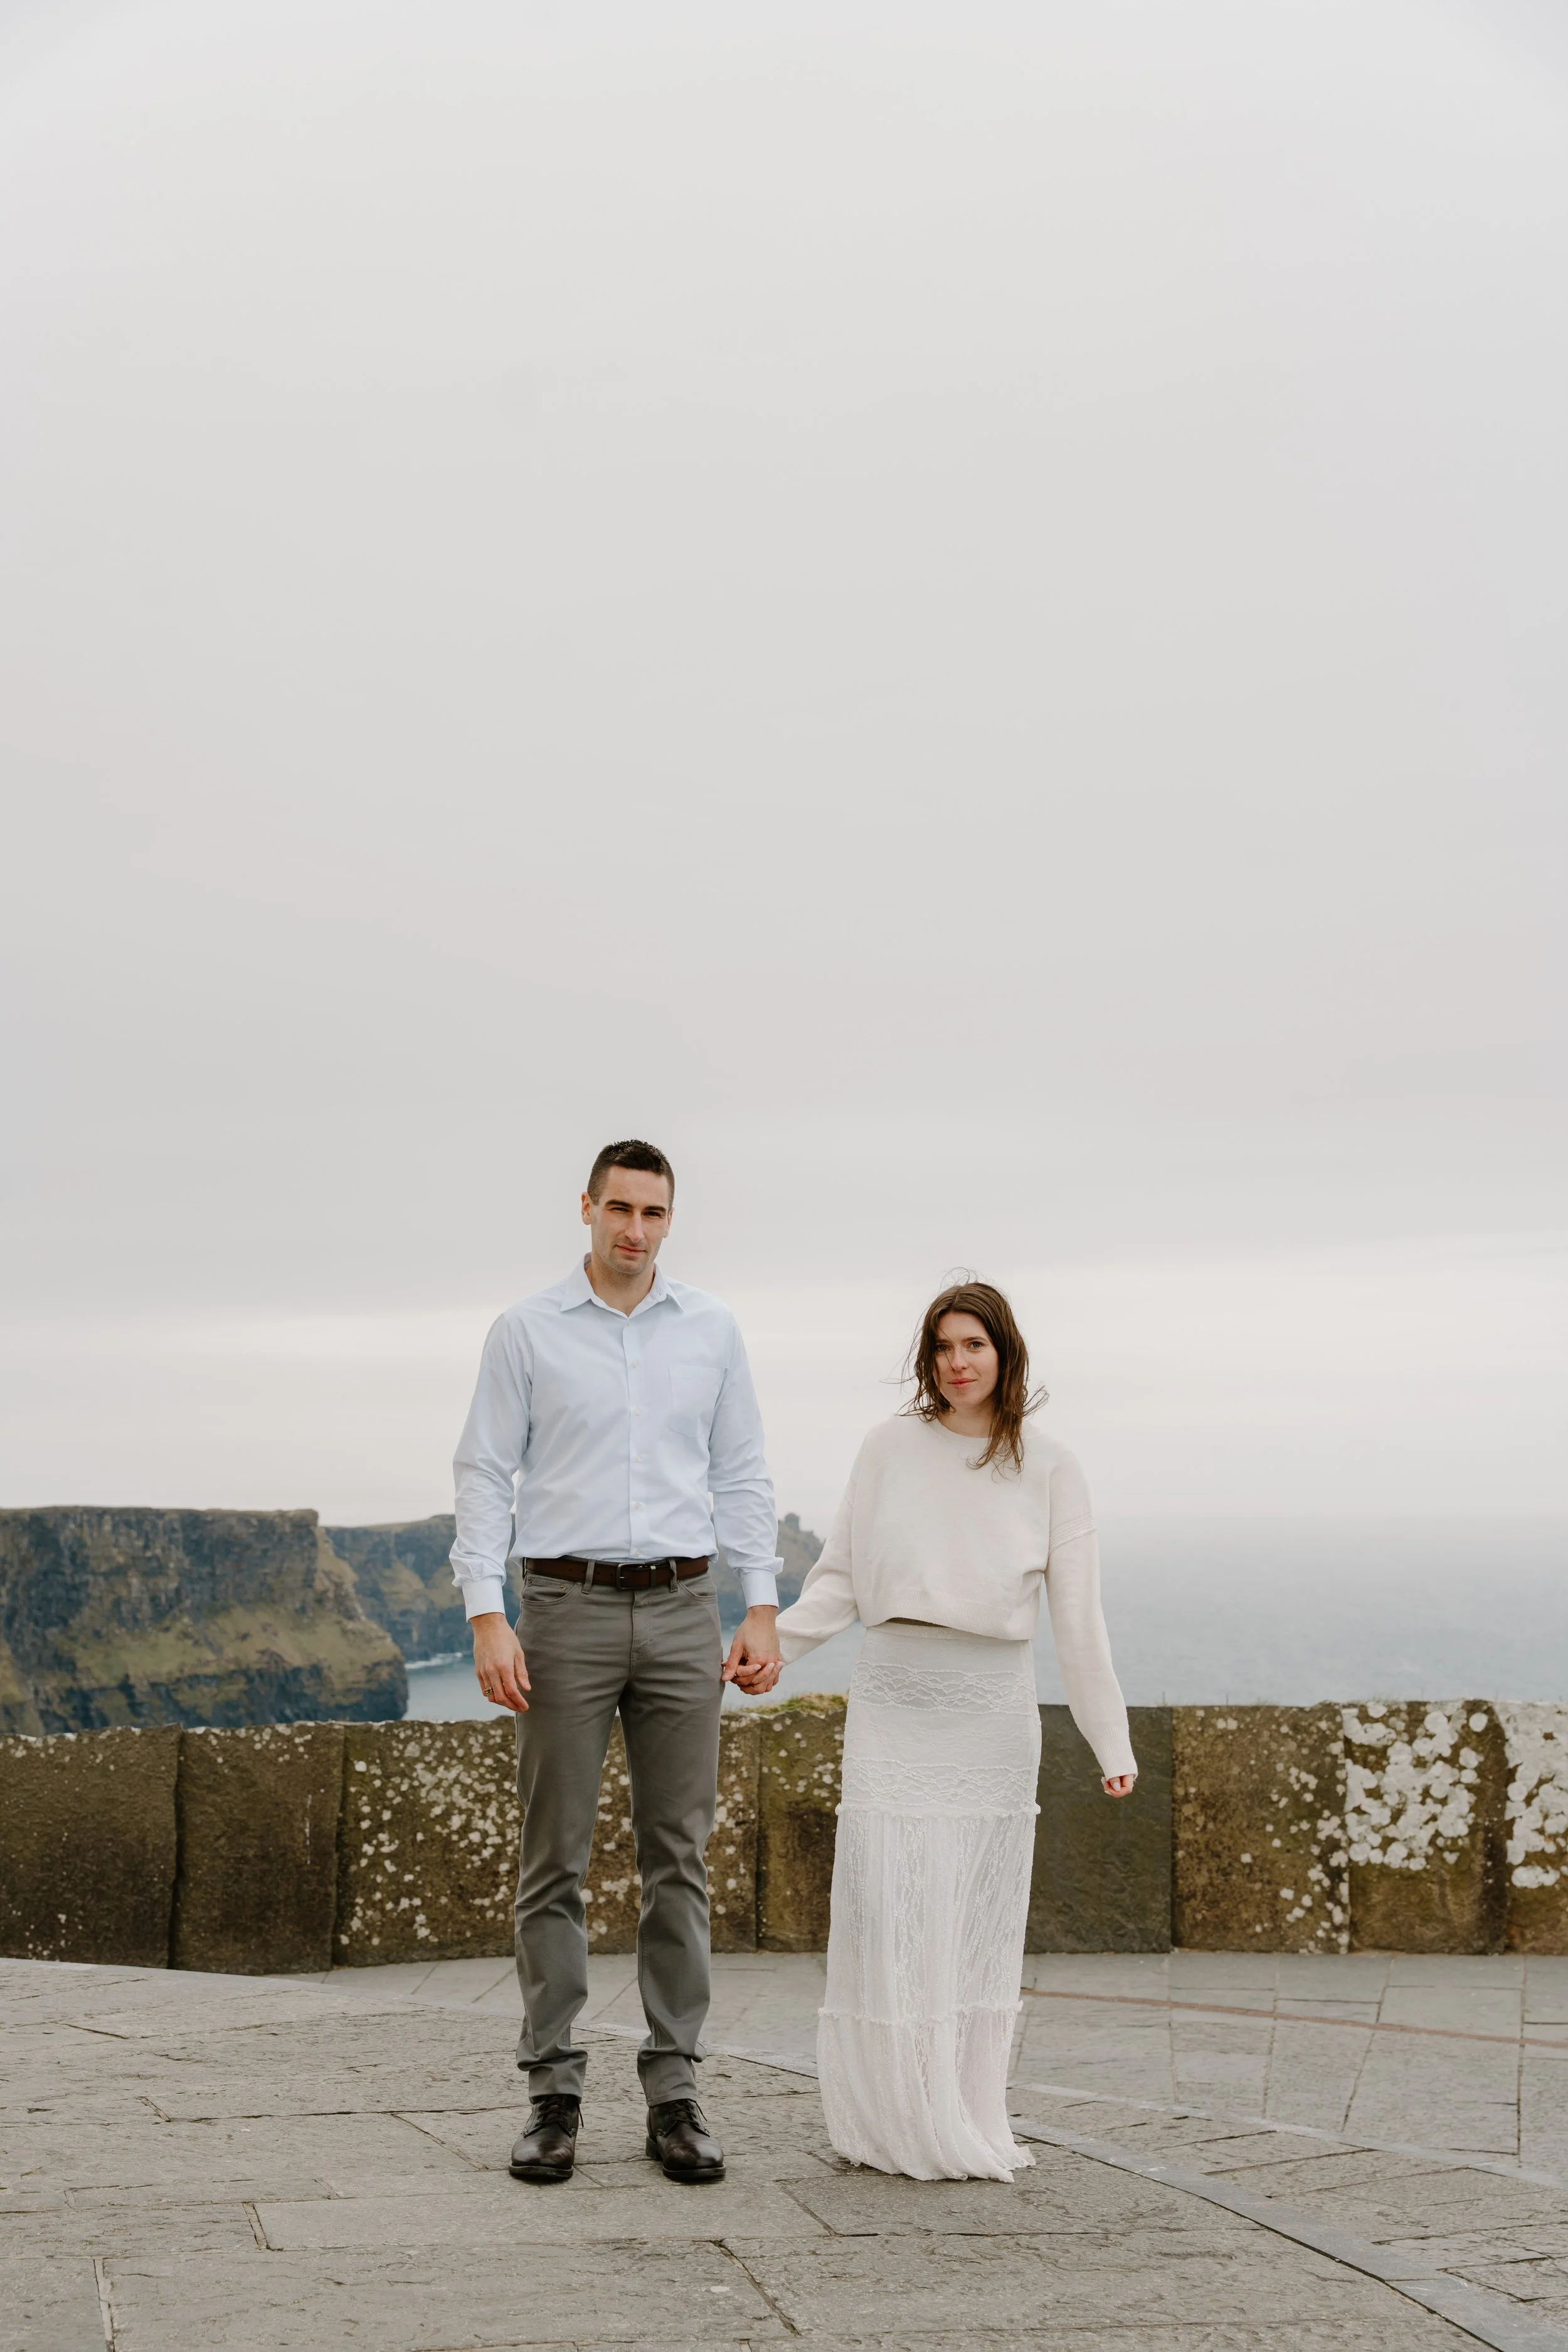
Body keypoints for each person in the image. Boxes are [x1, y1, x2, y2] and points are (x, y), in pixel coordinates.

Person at [450, 1139, 785, 2187]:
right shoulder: (527, 1330)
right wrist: (486, 1615)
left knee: (675, 1856)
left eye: (654, 1212)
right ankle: (553, 2092)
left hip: (687, 1606)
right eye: (620, 1208)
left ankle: (675, 2090)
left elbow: (742, 1469)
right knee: (551, 1860)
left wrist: (761, 1601)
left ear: (669, 1220)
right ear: (585, 1207)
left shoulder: (714, 1328)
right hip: (563, 1606)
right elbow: (482, 1473)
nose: (634, 1228)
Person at [775, 1279, 1136, 2180]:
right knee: (892, 1909)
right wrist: (767, 1648)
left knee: (972, 1920)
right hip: (896, 1693)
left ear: (1006, 1353)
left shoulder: (1052, 1466)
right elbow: (841, 1577)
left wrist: (1111, 1738)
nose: (957, 1362)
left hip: (990, 1709)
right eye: (942, 1346)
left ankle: (963, 2112)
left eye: (974, 1344)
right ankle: (894, 2117)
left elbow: (1079, 1619)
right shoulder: (888, 1447)